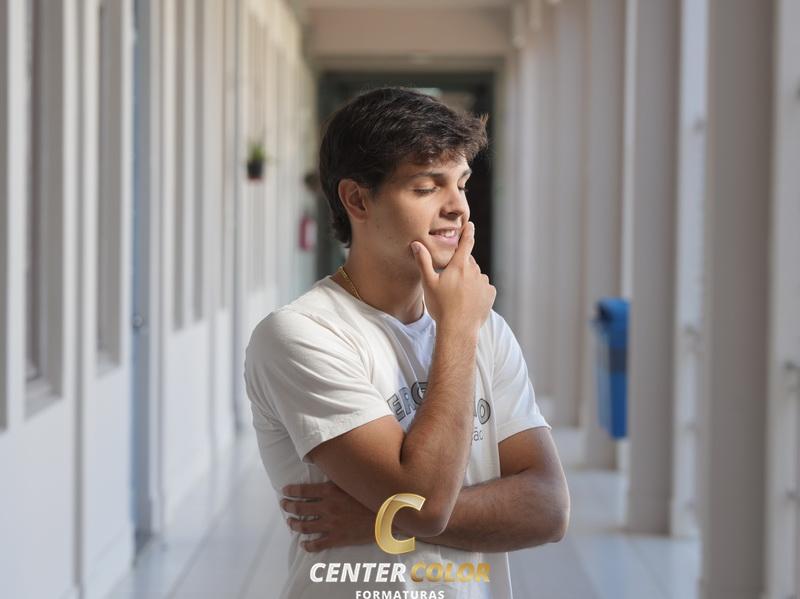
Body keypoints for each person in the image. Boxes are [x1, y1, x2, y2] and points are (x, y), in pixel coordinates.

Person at [244, 86, 570, 599]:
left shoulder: (485, 326)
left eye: (461, 184)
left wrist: (381, 519)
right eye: (426, 187)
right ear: (357, 199)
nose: (458, 208)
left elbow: (547, 508)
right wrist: (456, 331)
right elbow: (424, 505)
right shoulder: (302, 335)